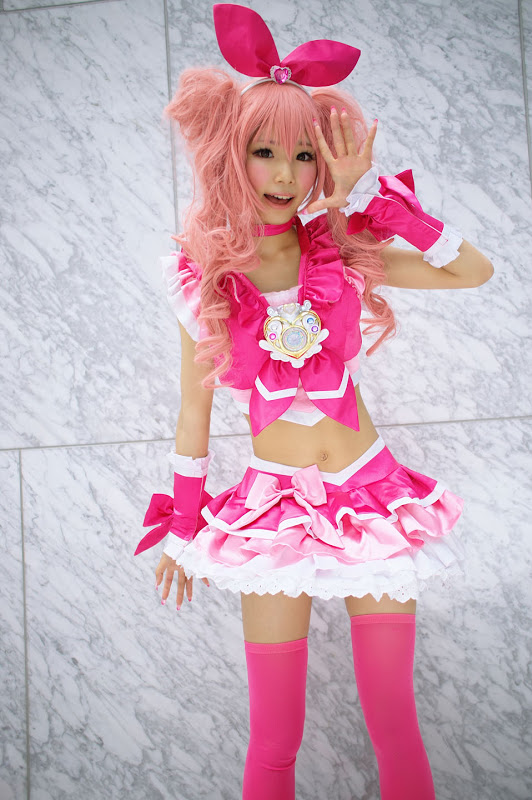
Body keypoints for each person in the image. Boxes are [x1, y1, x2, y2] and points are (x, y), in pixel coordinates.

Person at [135, 4, 494, 799]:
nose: (284, 175)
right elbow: (193, 414)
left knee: (392, 719)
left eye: (303, 155)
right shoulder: (203, 277)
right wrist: (183, 528)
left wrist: (383, 206)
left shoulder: (344, 246)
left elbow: (473, 273)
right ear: (231, 155)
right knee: (275, 738)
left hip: (371, 500)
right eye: (264, 151)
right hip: (272, 513)